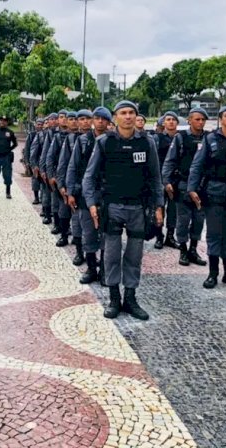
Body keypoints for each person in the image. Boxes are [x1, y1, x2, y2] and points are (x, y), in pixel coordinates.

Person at [83, 100, 163, 321]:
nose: (128, 117)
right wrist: (91, 203)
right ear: (115, 117)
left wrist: (159, 206)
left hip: (138, 207)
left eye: (131, 113)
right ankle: (114, 298)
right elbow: (89, 177)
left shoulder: (147, 143)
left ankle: (130, 297)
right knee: (111, 255)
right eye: (123, 113)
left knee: (134, 255)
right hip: (112, 207)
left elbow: (156, 178)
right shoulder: (104, 142)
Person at [187, 106, 226, 290]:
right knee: (214, 234)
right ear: (221, 119)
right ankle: (213, 273)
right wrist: (192, 188)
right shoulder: (211, 139)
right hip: (214, 192)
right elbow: (197, 165)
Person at [67, 107, 111, 283]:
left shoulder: (112, 141)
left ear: (109, 122)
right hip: (87, 193)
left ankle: (105, 271)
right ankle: (91, 268)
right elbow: (72, 165)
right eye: (97, 118)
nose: (100, 121)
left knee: (107, 234)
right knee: (89, 232)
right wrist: (70, 191)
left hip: (107, 193)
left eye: (104, 119)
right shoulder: (83, 141)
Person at [162, 107, 208, 266]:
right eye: (197, 119)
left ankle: (193, 249)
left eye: (203, 119)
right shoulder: (180, 138)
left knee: (199, 220)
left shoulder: (209, 138)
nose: (200, 122)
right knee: (183, 219)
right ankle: (183, 250)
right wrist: (166, 181)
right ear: (189, 120)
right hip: (183, 183)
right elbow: (170, 160)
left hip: (202, 186)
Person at [59, 109, 91, 259]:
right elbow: (65, 164)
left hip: (96, 187)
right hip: (77, 186)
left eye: (88, 119)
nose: (85, 122)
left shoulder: (101, 138)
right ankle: (79, 252)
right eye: (82, 119)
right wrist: (64, 186)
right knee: (77, 221)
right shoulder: (71, 139)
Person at [53, 111, 80, 246]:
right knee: (64, 210)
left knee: (78, 214)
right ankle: (64, 235)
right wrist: (60, 184)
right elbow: (62, 163)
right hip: (65, 179)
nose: (74, 122)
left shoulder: (86, 138)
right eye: (71, 119)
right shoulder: (64, 139)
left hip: (79, 182)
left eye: (77, 119)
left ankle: (77, 238)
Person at [154, 112, 180, 249]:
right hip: (159, 178)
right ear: (163, 123)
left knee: (173, 209)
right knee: (159, 207)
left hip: (175, 179)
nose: (171, 122)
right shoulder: (157, 138)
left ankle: (170, 236)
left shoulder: (180, 138)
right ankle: (159, 236)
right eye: (168, 120)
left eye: (173, 120)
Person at [43, 110, 69, 235]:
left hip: (69, 174)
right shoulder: (53, 134)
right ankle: (58, 225)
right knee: (56, 201)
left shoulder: (75, 135)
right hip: (56, 172)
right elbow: (47, 155)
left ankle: (68, 228)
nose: (64, 120)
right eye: (62, 117)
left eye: (66, 117)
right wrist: (49, 174)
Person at [0, 115, 18, 199]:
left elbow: (15, 144)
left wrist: (9, 149)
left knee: (7, 175)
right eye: (1, 120)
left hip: (6, 157)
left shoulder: (10, 132)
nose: (2, 122)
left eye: (4, 121)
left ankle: (8, 192)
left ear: (7, 122)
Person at [23, 118, 44, 205]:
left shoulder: (45, 135)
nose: (39, 126)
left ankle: (43, 199)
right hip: (34, 161)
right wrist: (27, 162)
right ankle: (36, 197)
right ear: (35, 125)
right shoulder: (31, 135)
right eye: (38, 124)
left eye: (41, 124)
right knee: (35, 180)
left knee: (43, 181)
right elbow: (27, 149)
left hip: (42, 160)